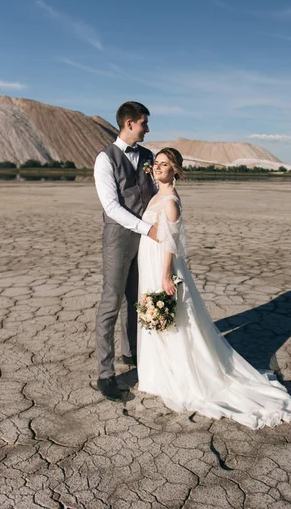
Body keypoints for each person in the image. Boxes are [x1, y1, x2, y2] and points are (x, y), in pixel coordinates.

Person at [137, 148, 291, 429]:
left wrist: (166, 275)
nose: (158, 168)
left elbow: (170, 243)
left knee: (174, 320)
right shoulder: (157, 194)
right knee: (160, 319)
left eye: (164, 165)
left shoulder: (170, 200)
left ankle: (182, 377)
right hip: (151, 261)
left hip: (161, 265)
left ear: (175, 171)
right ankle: (160, 374)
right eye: (156, 164)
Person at [94, 101, 158, 401]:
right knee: (111, 302)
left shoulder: (148, 156)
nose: (148, 128)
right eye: (144, 123)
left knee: (136, 299)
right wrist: (147, 229)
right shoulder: (105, 159)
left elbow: (155, 194)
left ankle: (130, 353)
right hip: (119, 238)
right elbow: (111, 207)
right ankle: (105, 374)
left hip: (146, 239)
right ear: (129, 123)